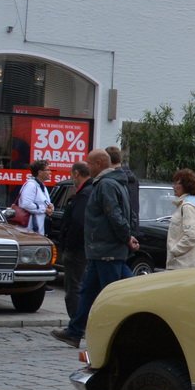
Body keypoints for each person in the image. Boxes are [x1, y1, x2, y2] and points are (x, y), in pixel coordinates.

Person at [52, 148, 134, 348]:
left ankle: (120, 336)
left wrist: (126, 237)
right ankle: (74, 332)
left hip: (108, 251)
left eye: (89, 163)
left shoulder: (106, 184)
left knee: (114, 296)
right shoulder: (114, 183)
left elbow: (114, 215)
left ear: (98, 164)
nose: (86, 167)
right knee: (88, 291)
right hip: (102, 251)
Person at [60, 162, 92, 319]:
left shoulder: (85, 193)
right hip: (83, 247)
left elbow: (79, 222)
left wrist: (69, 244)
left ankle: (76, 325)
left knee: (74, 288)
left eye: (71, 174)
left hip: (78, 248)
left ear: (77, 174)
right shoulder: (86, 192)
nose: (71, 177)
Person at [166, 169, 195, 270]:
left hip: (185, 264)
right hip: (188, 262)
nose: (173, 186)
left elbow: (192, 236)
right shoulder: (189, 204)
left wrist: (175, 251)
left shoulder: (188, 207)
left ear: (185, 185)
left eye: (176, 183)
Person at [17, 160, 53, 234]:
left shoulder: (41, 186)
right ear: (40, 172)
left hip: (38, 229)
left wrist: (51, 207)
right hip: (29, 229)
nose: (50, 172)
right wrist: (44, 209)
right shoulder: (31, 185)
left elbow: (45, 203)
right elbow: (26, 204)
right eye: (48, 170)